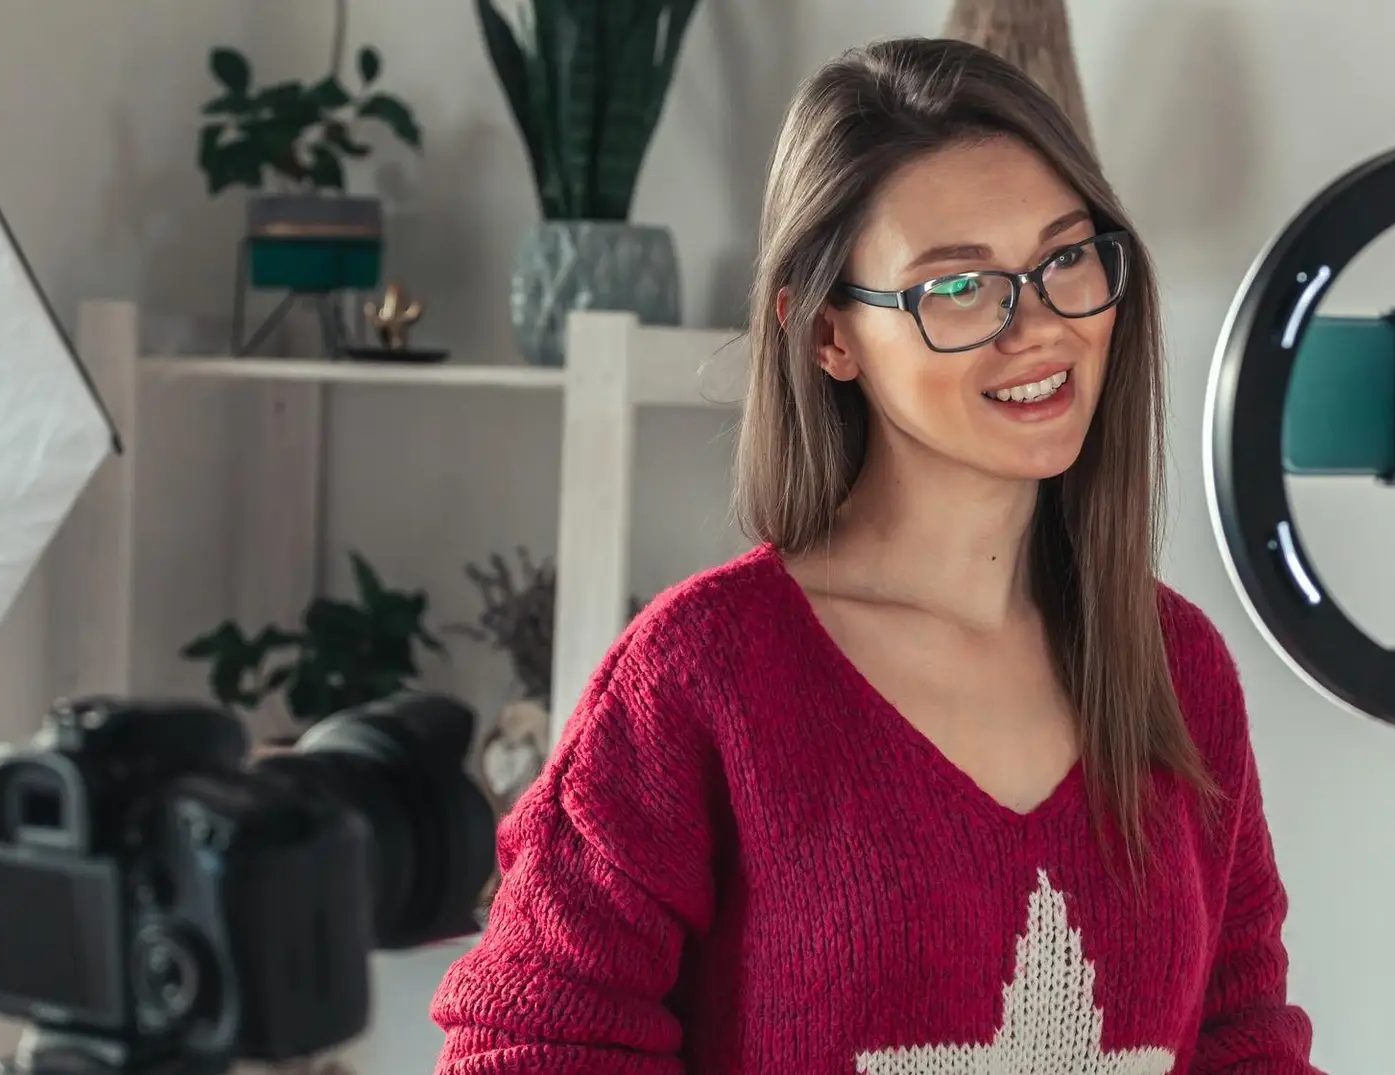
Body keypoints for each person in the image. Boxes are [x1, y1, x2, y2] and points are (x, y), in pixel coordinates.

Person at [431, 35, 1319, 1074]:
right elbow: (529, 1045)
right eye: (958, 287)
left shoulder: (1178, 666)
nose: (1038, 326)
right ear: (827, 336)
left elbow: (1243, 1040)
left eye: (1066, 258)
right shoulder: (699, 679)